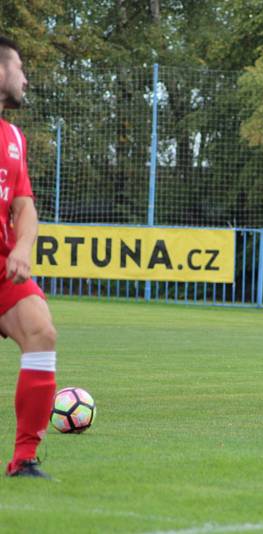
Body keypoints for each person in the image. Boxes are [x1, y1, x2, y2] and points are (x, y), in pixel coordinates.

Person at [0, 36, 59, 478]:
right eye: (20, 67)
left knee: (41, 332)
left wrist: (22, 246)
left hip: (4, 268)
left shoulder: (14, 136)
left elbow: (24, 205)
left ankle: (24, 458)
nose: (25, 77)